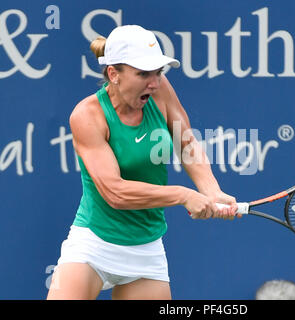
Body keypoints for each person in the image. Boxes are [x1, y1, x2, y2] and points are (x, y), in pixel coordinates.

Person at [47, 25, 239, 300]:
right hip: (93, 244)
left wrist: (211, 190)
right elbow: (115, 192)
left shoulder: (159, 92)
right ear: (114, 74)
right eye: (143, 73)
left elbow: (186, 142)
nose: (155, 82)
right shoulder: (87, 115)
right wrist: (183, 195)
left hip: (146, 249)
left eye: (158, 72)